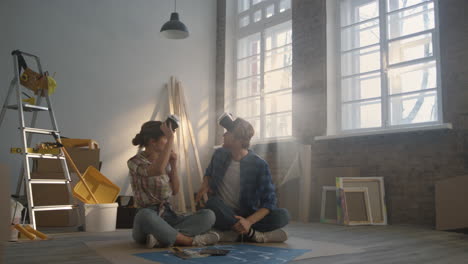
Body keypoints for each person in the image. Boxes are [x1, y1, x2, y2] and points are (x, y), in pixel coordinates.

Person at [196, 115, 290, 243]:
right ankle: (253, 234)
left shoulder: (259, 165)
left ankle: (233, 233)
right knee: (212, 204)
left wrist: (248, 221)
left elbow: (270, 202)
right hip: (224, 212)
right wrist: (204, 185)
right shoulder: (219, 154)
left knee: (283, 215)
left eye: (227, 133)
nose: (223, 136)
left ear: (238, 139)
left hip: (249, 214)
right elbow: (208, 173)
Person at [128, 119, 219, 248]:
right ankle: (189, 241)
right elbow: (157, 170)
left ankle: (162, 237)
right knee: (144, 215)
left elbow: (175, 191)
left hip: (169, 216)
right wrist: (171, 137)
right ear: (152, 142)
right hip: (148, 219)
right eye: (165, 139)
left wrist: (173, 165)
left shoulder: (165, 161)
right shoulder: (134, 162)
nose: (169, 142)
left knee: (209, 215)